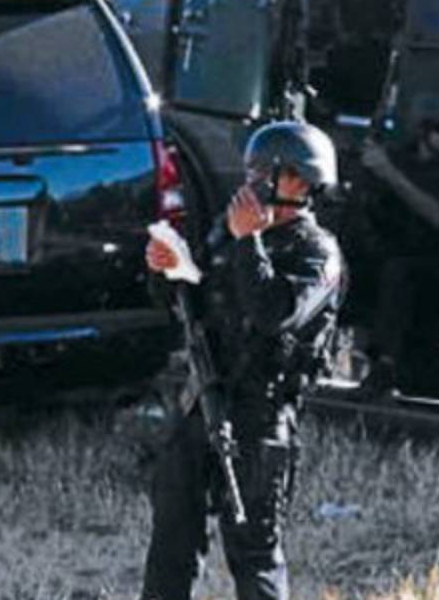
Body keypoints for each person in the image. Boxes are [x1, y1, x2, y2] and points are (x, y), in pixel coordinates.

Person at [141, 122, 345, 600]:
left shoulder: (316, 251)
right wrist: (167, 268)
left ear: (300, 182)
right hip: (203, 399)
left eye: (266, 173)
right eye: (251, 171)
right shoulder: (229, 233)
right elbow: (192, 301)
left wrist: (248, 242)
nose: (252, 182)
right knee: (171, 542)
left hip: (259, 417)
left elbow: (274, 314)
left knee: (253, 552)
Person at [353, 89, 439, 399]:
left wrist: (389, 174)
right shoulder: (399, 158)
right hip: (396, 254)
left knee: (400, 274)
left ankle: (385, 367)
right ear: (422, 130)